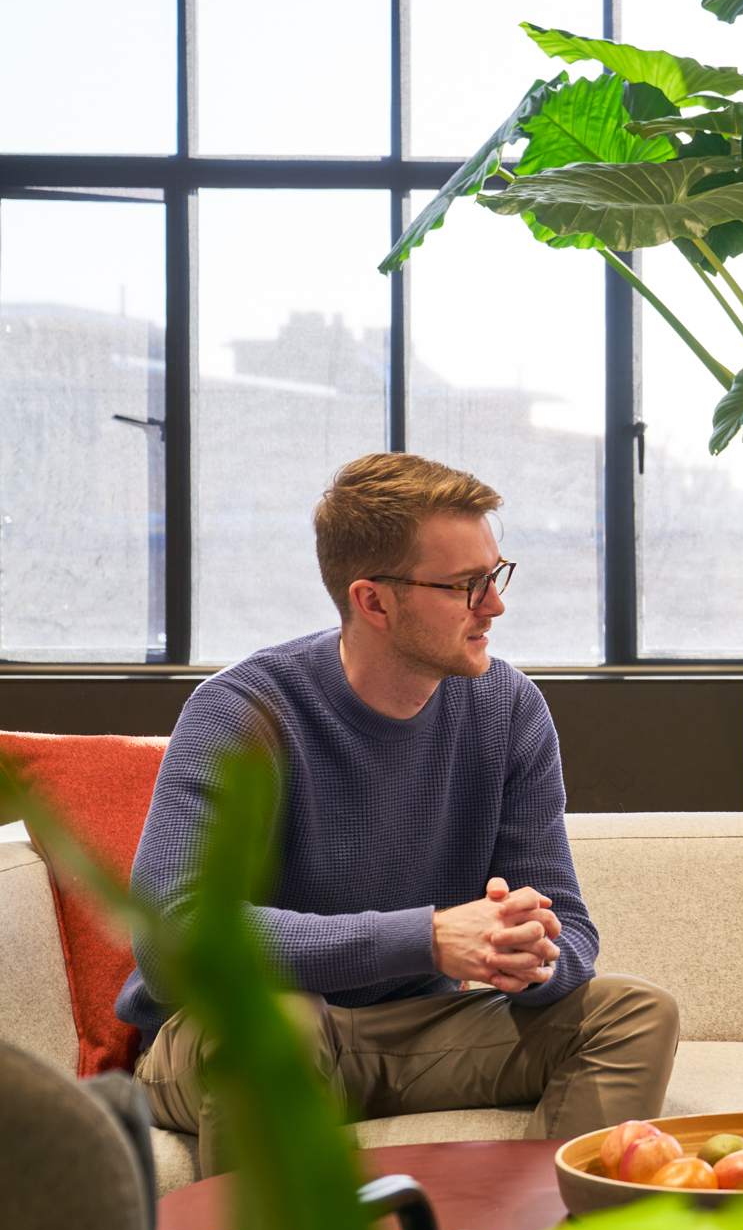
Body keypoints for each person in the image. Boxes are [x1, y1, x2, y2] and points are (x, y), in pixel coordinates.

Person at [121, 454, 678, 1172]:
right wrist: (429, 938)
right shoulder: (246, 712)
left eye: (496, 575)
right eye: (465, 586)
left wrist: (533, 952)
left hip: (410, 1032)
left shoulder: (506, 711)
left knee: (633, 1015)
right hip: (239, 1030)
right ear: (373, 602)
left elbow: (569, 929)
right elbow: (177, 940)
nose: (495, 605)